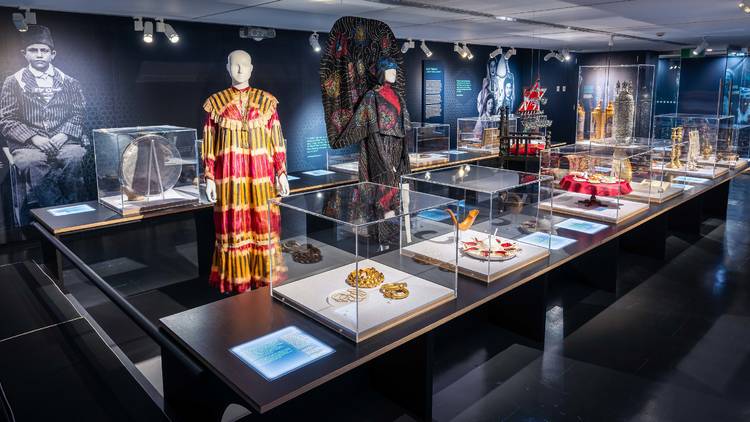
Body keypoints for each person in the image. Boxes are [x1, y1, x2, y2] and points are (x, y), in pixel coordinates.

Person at [0, 25, 86, 213]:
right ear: (25, 54)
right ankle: (56, 213)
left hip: (64, 140)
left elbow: (78, 113)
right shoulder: (13, 82)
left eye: (44, 50)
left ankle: (76, 211)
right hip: (28, 144)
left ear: (52, 54)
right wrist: (34, 138)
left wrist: (64, 134)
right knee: (32, 162)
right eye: (33, 50)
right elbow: (8, 119)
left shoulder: (69, 82)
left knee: (74, 157)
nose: (39, 54)